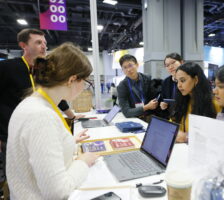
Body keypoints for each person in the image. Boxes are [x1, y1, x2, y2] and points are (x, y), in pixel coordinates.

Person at [6, 43, 99, 199]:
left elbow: (36, 148)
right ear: (72, 80)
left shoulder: (34, 103)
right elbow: (57, 192)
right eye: (85, 82)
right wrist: (83, 162)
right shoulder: (41, 116)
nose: (84, 87)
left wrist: (68, 140)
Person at [0, 29, 82, 183]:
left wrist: (72, 116)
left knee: (45, 176)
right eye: (38, 42)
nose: (44, 46)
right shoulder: (8, 68)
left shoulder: (43, 70)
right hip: (12, 135)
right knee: (22, 179)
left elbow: (57, 96)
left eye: (44, 42)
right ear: (23, 45)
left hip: (41, 131)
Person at [173, 62, 220, 143]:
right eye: (177, 81)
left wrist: (186, 137)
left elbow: (218, 136)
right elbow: (173, 123)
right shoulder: (183, 100)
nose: (179, 85)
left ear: (196, 80)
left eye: (182, 80)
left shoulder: (214, 103)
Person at [117, 54, 158, 119]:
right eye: (124, 67)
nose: (128, 69)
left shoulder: (147, 78)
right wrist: (146, 107)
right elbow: (126, 112)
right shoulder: (122, 86)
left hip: (150, 116)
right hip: (135, 119)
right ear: (122, 70)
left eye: (130, 65)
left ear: (137, 65)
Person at [160, 53, 184, 119]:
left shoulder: (188, 80)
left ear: (181, 62)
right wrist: (163, 105)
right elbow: (163, 99)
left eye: (173, 63)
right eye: (167, 65)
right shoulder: (165, 82)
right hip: (171, 118)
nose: (170, 67)